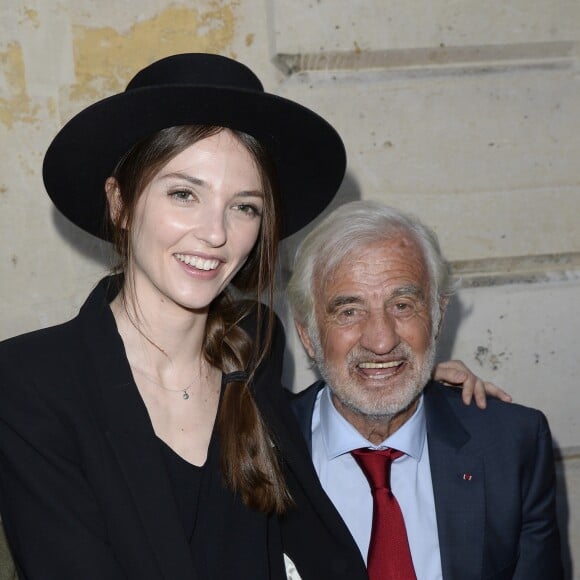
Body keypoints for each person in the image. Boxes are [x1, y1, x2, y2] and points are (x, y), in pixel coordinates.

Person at [0, 53, 506, 579]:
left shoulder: (255, 344)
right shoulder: (32, 383)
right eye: (183, 194)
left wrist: (412, 391)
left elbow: (301, 500)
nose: (216, 233)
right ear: (120, 203)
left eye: (244, 206)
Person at [284, 200, 563, 579]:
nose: (381, 341)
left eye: (402, 305)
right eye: (349, 311)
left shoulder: (512, 445)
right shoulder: (257, 449)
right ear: (309, 336)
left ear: (437, 317)